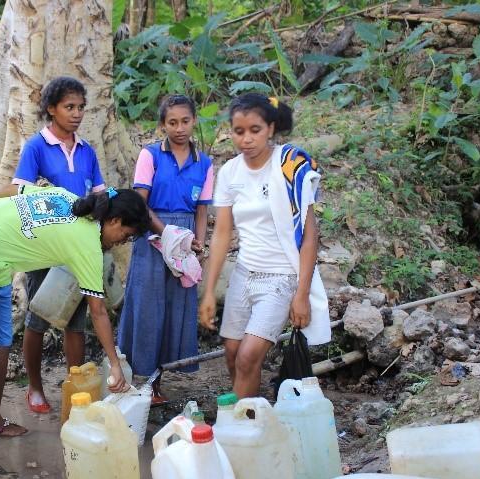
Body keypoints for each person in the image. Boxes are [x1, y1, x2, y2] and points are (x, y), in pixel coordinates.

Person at [0, 186, 150, 435]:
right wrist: (115, 363)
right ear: (115, 220)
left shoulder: (67, 196)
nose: (122, 242)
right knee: (0, 339)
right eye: (125, 234)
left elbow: (16, 187)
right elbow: (97, 311)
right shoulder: (87, 244)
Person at [198, 93, 331, 399]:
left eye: (255, 130)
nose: (246, 139)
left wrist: (301, 294)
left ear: (271, 128)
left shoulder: (291, 167)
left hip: (282, 276)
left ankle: (240, 430)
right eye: (239, 131)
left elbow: (310, 237)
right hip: (245, 273)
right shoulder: (230, 172)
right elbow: (221, 234)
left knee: (247, 356)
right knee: (232, 353)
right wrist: (208, 291)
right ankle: (253, 414)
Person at [7, 76, 106, 414]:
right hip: (44, 247)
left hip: (78, 246)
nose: (76, 113)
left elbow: (99, 193)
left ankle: (74, 386)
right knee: (39, 316)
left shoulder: (87, 150)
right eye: (69, 107)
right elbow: (21, 191)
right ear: (51, 109)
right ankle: (34, 387)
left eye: (80, 107)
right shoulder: (36, 147)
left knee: (76, 319)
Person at [117, 95, 214, 404]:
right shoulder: (151, 156)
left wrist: (198, 244)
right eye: (172, 122)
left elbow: (201, 211)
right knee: (147, 306)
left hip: (183, 241)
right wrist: (167, 233)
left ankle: (159, 379)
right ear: (162, 125)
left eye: (185, 121)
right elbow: (140, 203)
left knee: (175, 308)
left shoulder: (205, 164)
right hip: (152, 238)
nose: (180, 128)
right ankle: (138, 377)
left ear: (194, 121)